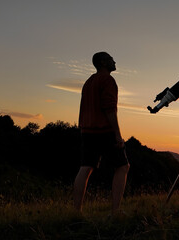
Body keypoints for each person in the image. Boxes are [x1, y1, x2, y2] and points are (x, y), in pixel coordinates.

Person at [73, 52, 130, 215]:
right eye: (112, 59)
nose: (115, 61)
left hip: (87, 131)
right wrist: (117, 135)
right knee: (123, 166)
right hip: (104, 130)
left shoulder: (89, 81)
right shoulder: (108, 80)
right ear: (104, 62)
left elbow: (84, 107)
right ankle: (116, 210)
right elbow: (109, 109)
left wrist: (82, 127)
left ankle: (77, 211)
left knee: (85, 168)